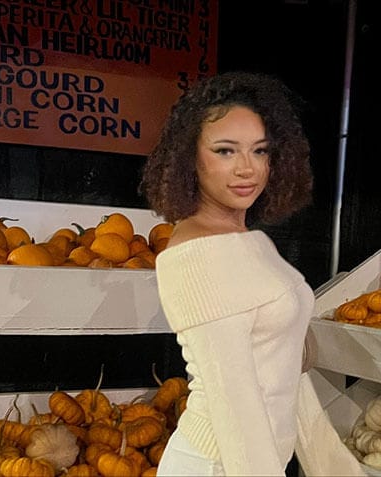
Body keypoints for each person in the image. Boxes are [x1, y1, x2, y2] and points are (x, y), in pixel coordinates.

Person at [139, 71, 367, 476]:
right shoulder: (195, 256)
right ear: (190, 156)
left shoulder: (249, 238)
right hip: (218, 465)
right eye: (226, 151)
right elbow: (235, 405)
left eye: (260, 151)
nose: (248, 168)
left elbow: (281, 369)